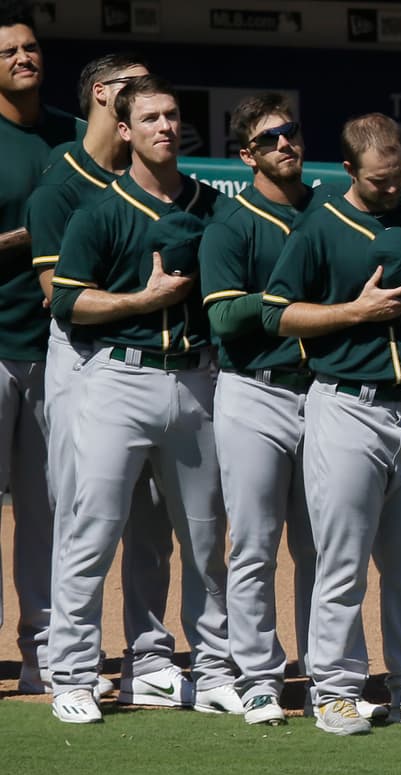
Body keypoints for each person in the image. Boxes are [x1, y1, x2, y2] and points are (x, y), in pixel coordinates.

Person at [262, 112, 401, 737]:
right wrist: (354, 312)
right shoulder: (319, 226)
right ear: (348, 170)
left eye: (399, 174)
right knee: (342, 559)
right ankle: (334, 689)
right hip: (346, 406)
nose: (392, 187)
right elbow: (276, 314)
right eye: (379, 180)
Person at [46, 74, 241, 723]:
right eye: (149, 117)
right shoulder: (99, 210)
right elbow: (69, 300)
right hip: (119, 377)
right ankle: (72, 674)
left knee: (206, 539)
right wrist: (141, 301)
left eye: (171, 116)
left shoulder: (214, 206)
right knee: (91, 532)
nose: (163, 127)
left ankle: (209, 668)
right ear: (123, 129)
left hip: (196, 379)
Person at [23, 52, 185, 703]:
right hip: (80, 355)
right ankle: (73, 661)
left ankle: (147, 658)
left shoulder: (157, 182)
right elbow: (55, 292)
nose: (148, 101)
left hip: (145, 362)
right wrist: (141, 301)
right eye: (133, 89)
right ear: (101, 96)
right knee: (80, 514)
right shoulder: (61, 183)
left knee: (152, 516)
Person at [198, 93, 319, 726]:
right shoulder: (231, 221)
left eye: (290, 134)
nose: (285, 145)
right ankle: (258, 677)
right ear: (247, 154)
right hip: (253, 392)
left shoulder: (328, 208)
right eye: (270, 139)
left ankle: (326, 676)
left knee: (321, 546)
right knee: (254, 544)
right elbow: (221, 314)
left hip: (322, 392)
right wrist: (283, 298)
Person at [0, 0, 80, 688]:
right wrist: (39, 233)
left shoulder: (72, 137)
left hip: (57, 348)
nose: (25, 57)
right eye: (9, 51)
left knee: (49, 508)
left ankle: (45, 650)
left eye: (30, 47)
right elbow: (47, 232)